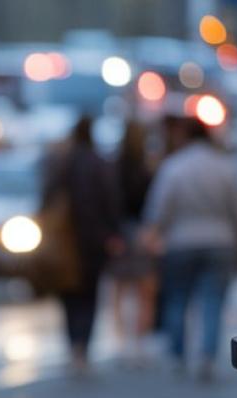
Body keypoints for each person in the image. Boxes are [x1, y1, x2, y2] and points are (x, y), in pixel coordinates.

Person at [142, 117, 237, 382]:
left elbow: (159, 209)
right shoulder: (225, 167)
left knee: (178, 298)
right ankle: (207, 356)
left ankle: (177, 355)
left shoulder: (173, 167)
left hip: (180, 241)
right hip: (221, 241)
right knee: (213, 300)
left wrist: (154, 233)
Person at [42, 115, 121, 374]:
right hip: (92, 240)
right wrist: (112, 233)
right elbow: (111, 202)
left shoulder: (61, 162)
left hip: (65, 240)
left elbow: (46, 198)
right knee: (89, 294)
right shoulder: (98, 163)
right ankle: (82, 346)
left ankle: (73, 343)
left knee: (68, 294)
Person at [109, 120, 159, 365]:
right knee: (145, 289)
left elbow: (110, 204)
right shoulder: (147, 169)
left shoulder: (114, 167)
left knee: (119, 288)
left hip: (120, 231)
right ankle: (139, 341)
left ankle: (121, 341)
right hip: (141, 231)